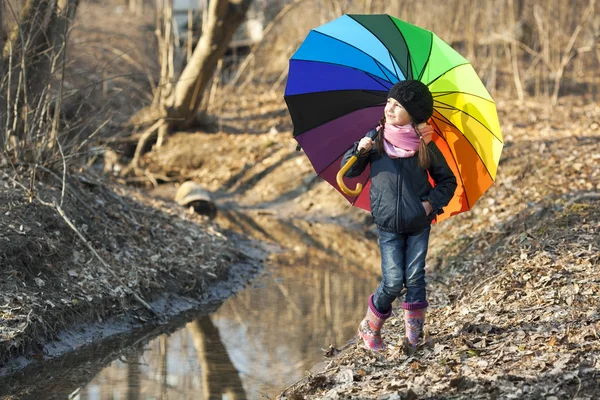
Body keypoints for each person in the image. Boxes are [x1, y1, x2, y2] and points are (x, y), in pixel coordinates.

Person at [341, 80, 457, 353]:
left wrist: (429, 205)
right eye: (389, 103)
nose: (390, 109)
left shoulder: (424, 146)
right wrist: (360, 151)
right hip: (388, 224)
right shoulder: (376, 137)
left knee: (415, 278)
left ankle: (414, 339)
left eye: (398, 106)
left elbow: (447, 182)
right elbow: (350, 171)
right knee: (393, 281)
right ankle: (370, 327)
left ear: (414, 115)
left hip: (418, 222)